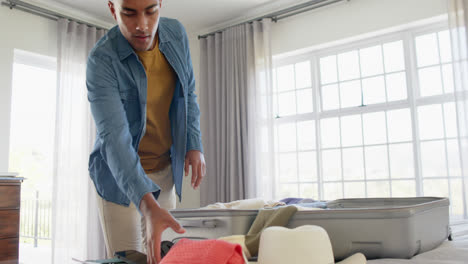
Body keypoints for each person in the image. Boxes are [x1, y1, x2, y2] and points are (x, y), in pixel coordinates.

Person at [86, 0, 206, 263]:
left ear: (161, 3)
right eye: (129, 13)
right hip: (119, 179)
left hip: (164, 172)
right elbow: (114, 140)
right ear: (112, 8)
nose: (142, 25)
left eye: (151, 11)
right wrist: (148, 205)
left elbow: (188, 92)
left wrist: (193, 143)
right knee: (130, 259)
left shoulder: (176, 33)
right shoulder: (101, 61)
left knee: (163, 257)